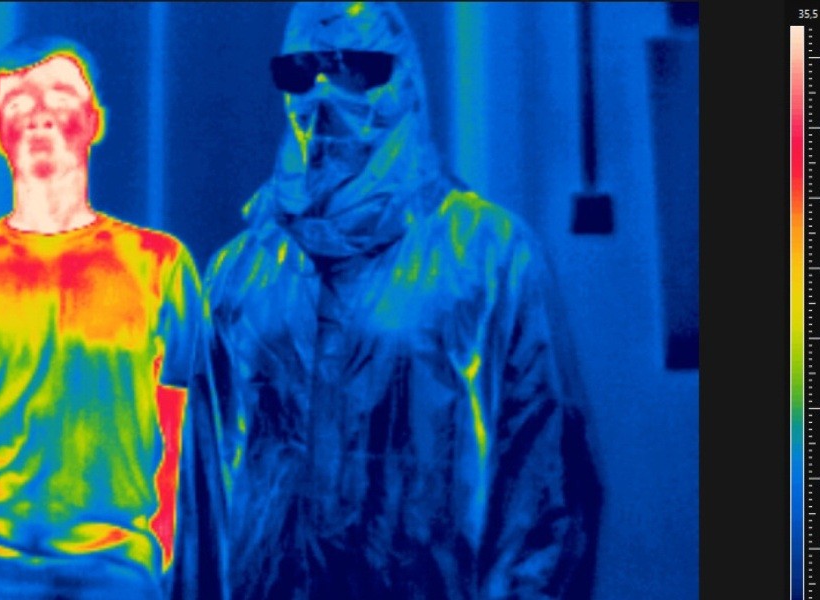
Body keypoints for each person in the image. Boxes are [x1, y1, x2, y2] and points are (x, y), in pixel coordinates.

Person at [186, 2, 602, 598]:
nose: (324, 95)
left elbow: (547, 486)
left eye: (354, 68)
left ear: (402, 79)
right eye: (300, 72)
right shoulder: (242, 274)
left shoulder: (486, 256)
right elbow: (204, 495)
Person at [0, 36, 201, 599]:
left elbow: (178, 418)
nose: (38, 113)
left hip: (118, 565)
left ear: (94, 120)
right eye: (16, 101)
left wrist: (161, 532)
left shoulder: (160, 264)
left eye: (59, 93)